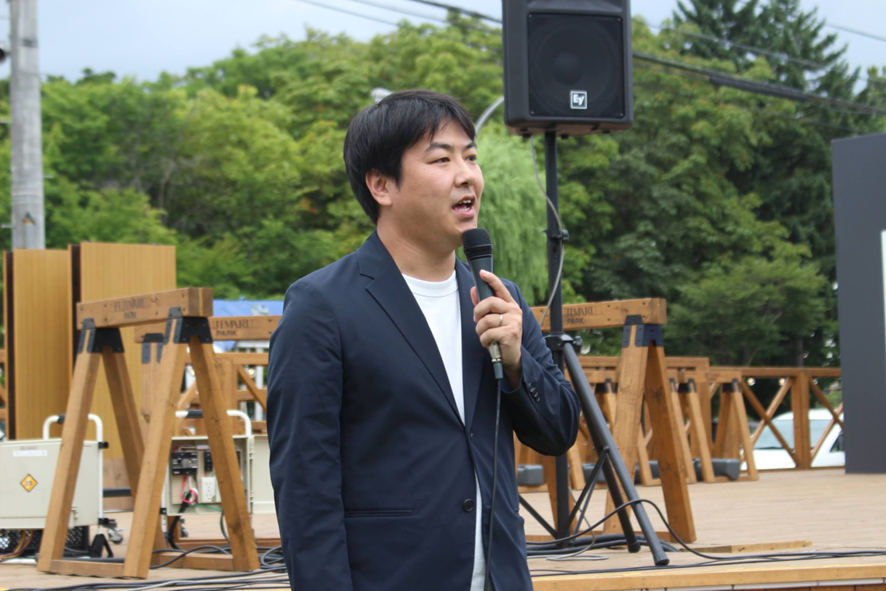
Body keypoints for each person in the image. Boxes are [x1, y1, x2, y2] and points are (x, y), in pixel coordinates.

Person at [267, 89, 579, 591]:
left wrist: (517, 362)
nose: (466, 175)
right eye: (441, 159)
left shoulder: (499, 297)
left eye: (470, 157)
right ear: (381, 186)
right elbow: (305, 486)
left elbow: (559, 432)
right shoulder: (321, 306)